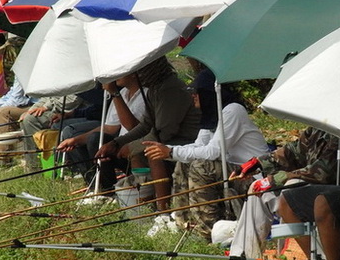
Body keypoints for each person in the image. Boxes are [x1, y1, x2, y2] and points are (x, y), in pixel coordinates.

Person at [142, 68, 268, 240]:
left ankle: (207, 231)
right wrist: (169, 151)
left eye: (197, 92)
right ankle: (183, 222)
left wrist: (171, 151)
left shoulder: (233, 111)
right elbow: (198, 146)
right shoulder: (211, 114)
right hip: (232, 173)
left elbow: (213, 152)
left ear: (210, 92)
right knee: (184, 161)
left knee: (201, 166)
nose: (193, 96)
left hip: (251, 176)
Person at [96, 57, 201, 215]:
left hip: (186, 142)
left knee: (152, 153)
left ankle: (162, 210)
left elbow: (163, 132)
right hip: (169, 138)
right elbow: (145, 125)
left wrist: (132, 147)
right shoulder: (155, 89)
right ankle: (146, 201)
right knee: (138, 153)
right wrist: (117, 143)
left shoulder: (170, 89)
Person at [228, 127, 340, 259]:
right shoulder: (318, 129)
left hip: (339, 193)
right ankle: (243, 254)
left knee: (290, 188)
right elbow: (293, 151)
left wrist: (278, 178)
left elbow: (324, 172)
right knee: (257, 189)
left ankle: (291, 255)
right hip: (310, 189)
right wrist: (259, 163)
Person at [57, 74, 147, 191]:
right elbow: (110, 128)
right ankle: (95, 186)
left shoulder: (145, 94)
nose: (116, 76)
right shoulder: (124, 93)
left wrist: (114, 93)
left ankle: (107, 190)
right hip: (119, 146)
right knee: (78, 138)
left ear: (134, 74)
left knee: (95, 139)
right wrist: (75, 141)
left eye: (122, 72)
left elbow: (132, 126)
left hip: (137, 152)